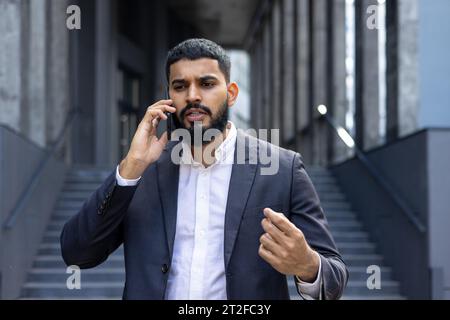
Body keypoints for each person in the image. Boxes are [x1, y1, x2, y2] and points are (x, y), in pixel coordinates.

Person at [60, 38, 348, 300]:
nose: (193, 96)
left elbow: (334, 278)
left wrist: (308, 265)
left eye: (207, 84)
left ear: (231, 93)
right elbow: (77, 253)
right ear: (169, 96)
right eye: (180, 86)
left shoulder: (283, 169)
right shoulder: (143, 171)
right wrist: (130, 169)